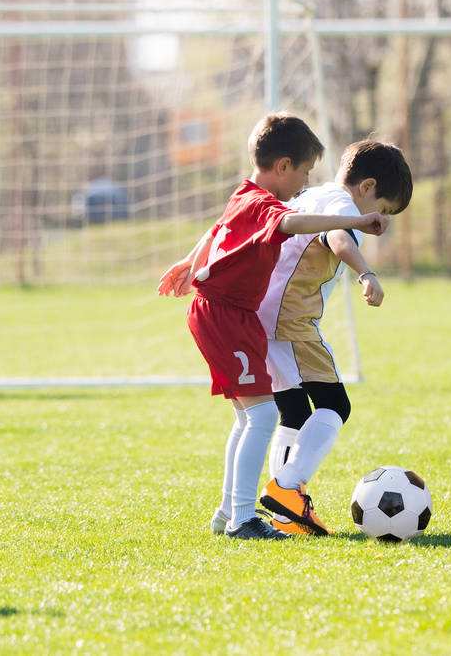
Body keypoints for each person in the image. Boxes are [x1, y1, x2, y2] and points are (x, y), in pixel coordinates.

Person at [157, 113, 389, 540]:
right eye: (303, 172)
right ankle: (245, 518)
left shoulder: (244, 194)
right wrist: (356, 223)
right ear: (283, 166)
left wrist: (190, 261)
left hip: (230, 315)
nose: (305, 182)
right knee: (264, 415)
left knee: (250, 417)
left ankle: (228, 511)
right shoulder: (266, 205)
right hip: (227, 315)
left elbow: (218, 228)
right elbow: (290, 223)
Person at [255, 139, 413, 536]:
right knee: (335, 404)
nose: (381, 220)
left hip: (261, 312)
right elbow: (340, 239)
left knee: (294, 411)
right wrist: (367, 274)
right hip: (290, 318)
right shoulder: (343, 206)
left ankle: (286, 514)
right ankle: (286, 486)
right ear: (367, 187)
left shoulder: (312, 194)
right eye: (384, 209)